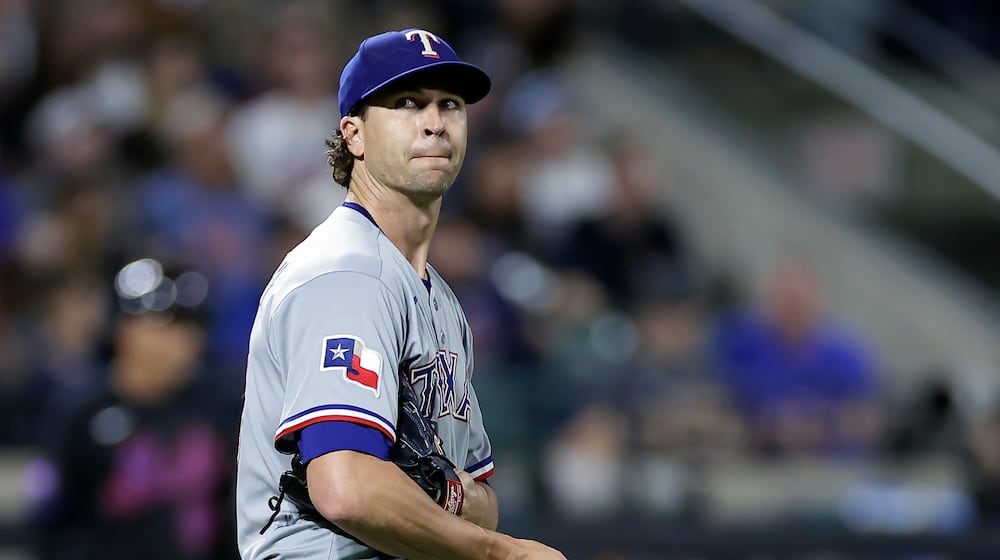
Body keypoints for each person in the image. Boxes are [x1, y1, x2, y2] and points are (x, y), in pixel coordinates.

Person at [235, 29, 567, 560]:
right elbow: (347, 489)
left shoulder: (441, 300)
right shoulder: (346, 273)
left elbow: (484, 501)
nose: (435, 122)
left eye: (451, 105)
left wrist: (439, 489)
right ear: (355, 135)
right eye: (408, 103)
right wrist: (498, 552)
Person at [25, 257, 238, 560]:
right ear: (125, 329)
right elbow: (49, 521)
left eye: (192, 327)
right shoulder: (81, 412)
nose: (184, 341)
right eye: (169, 326)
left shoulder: (219, 407)